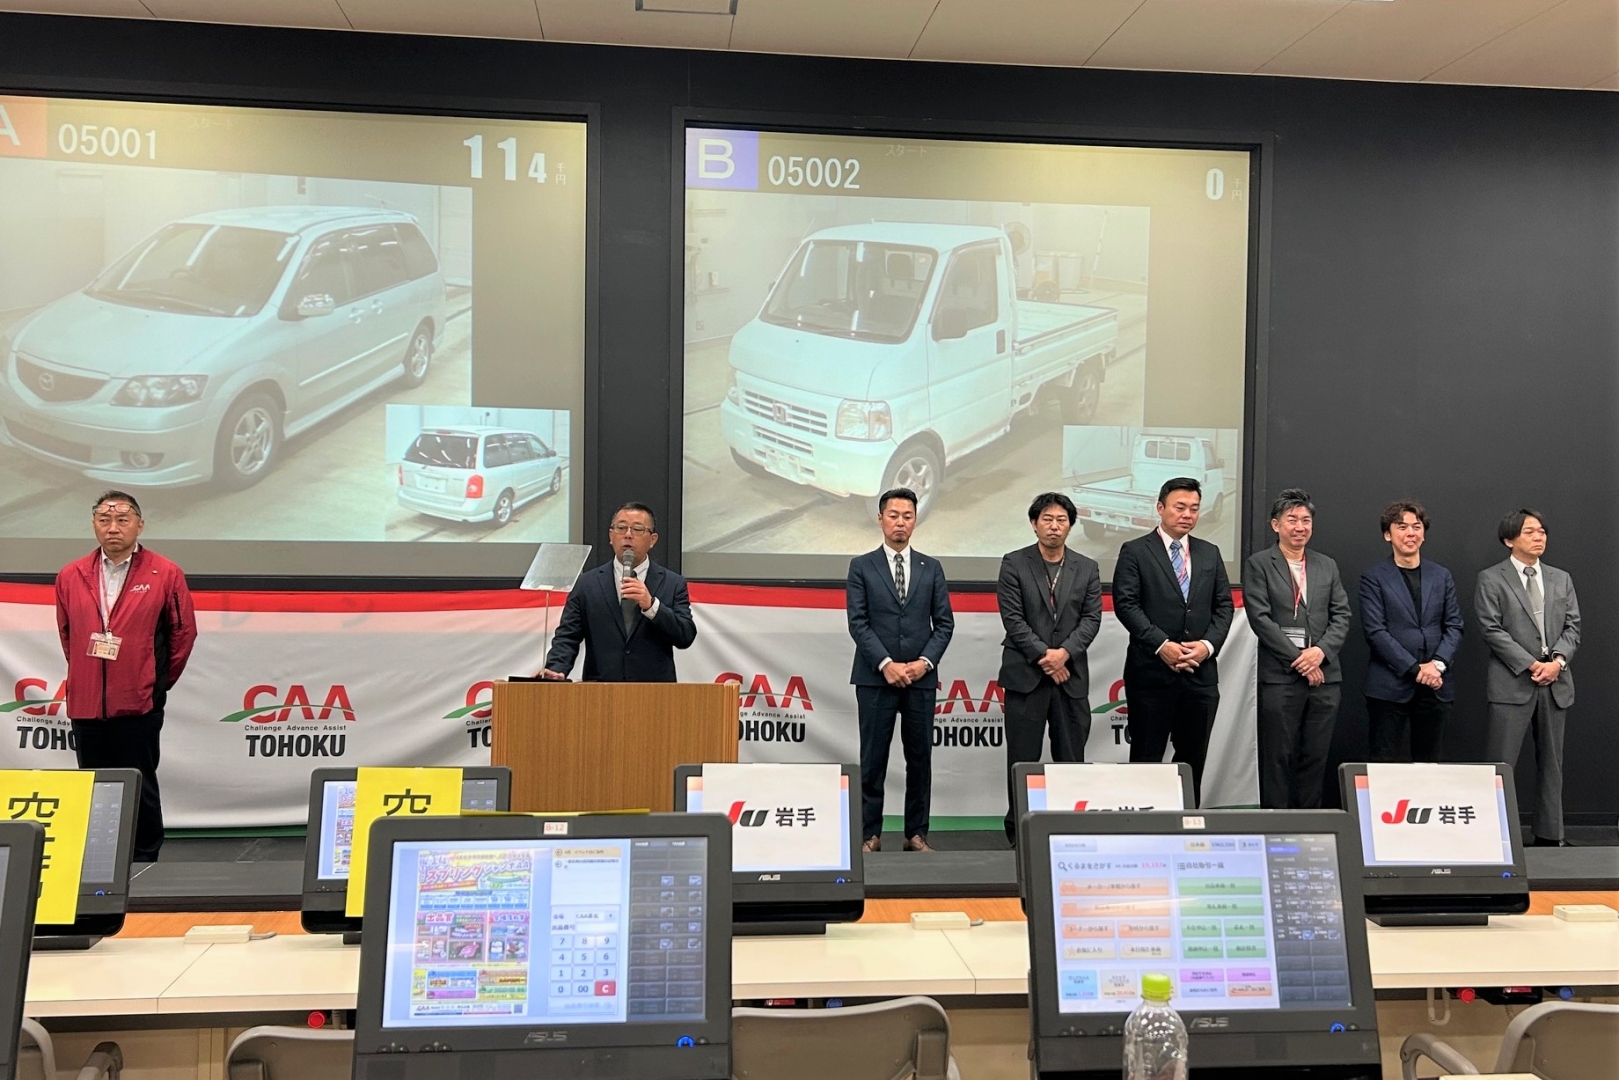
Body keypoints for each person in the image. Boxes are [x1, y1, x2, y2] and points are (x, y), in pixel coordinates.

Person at [55, 491, 196, 862]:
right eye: (104, 520)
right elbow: (68, 634)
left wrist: (155, 681)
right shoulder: (71, 574)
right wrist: (89, 675)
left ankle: (145, 855)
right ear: (94, 524)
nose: (113, 528)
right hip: (87, 703)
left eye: (122, 520)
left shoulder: (164, 572)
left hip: (139, 700)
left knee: (139, 783)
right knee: (94, 785)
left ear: (139, 525)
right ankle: (100, 859)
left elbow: (183, 634)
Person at [1112, 477, 1233, 804]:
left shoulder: (1210, 553)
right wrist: (1161, 645)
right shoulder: (1136, 551)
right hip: (1151, 675)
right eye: (1180, 507)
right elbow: (1126, 604)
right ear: (1160, 507)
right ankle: (1143, 824)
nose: (1187, 515)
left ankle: (1187, 821)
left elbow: (1224, 606)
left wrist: (1207, 646)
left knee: (1193, 760)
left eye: (1194, 508)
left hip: (1200, 675)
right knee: (1146, 758)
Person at [846, 488, 954, 853]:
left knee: (920, 759)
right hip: (875, 677)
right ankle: (869, 834)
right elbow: (858, 622)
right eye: (893, 515)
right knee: (873, 759)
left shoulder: (931, 567)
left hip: (920, 680)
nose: (900, 523)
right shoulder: (861, 566)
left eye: (907, 516)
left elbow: (944, 624)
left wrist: (924, 663)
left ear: (915, 520)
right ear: (880, 519)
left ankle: (916, 834)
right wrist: (886, 664)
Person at [996, 492, 1102, 843]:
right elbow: (1013, 618)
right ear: (1034, 523)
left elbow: (1091, 619)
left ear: (1070, 526)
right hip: (1026, 677)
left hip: (1070, 678)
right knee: (1022, 760)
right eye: (1047, 519)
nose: (1054, 526)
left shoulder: (1087, 567)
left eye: (1061, 520)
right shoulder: (1014, 563)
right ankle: (1019, 833)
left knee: (1071, 759)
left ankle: (1069, 828)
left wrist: (1064, 654)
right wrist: (1046, 657)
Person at [1242, 489, 1353, 809]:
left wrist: (1320, 653)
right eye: (1292, 520)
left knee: (1315, 757)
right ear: (1275, 525)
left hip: (1324, 678)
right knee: (1278, 758)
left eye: (1306, 520)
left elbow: (1342, 615)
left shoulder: (1326, 565)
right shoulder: (1259, 564)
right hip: (1281, 678)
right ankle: (1275, 823)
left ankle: (1310, 824)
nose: (1300, 527)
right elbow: (1260, 619)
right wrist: (1300, 660)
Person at [1475, 509, 1580, 847]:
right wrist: (1531, 664)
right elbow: (1491, 629)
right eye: (1530, 532)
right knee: (1501, 763)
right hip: (1512, 681)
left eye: (1542, 531)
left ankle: (1550, 835)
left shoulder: (1561, 578)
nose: (1539, 537)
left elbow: (1572, 627)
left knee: (1552, 763)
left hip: (1555, 681)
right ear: (1509, 540)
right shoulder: (1491, 578)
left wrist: (1557, 662)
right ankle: (1493, 837)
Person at [1359, 500, 1464, 762]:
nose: (1410, 533)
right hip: (1389, 686)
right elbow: (1375, 632)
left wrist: (1437, 665)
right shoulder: (1374, 577)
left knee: (1429, 766)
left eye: (1416, 527)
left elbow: (1454, 625)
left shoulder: (1441, 575)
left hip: (1436, 687)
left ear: (1424, 534)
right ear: (1388, 535)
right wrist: (1417, 670)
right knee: (1383, 765)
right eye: (1402, 527)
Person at [542, 503, 696, 682]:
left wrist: (651, 606)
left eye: (637, 529)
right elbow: (568, 635)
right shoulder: (587, 583)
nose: (628, 535)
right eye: (621, 528)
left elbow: (685, 636)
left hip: (654, 691)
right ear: (611, 536)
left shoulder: (673, 583)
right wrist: (556, 669)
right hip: (601, 690)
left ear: (652, 540)